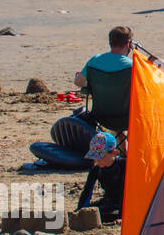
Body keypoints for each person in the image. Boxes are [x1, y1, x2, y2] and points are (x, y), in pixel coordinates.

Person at [52, 26, 134, 154]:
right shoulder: (132, 66)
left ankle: (124, 150)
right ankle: (126, 152)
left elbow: (78, 82)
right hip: (126, 118)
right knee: (122, 105)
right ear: (128, 44)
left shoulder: (95, 61)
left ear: (110, 42)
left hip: (100, 115)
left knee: (113, 105)